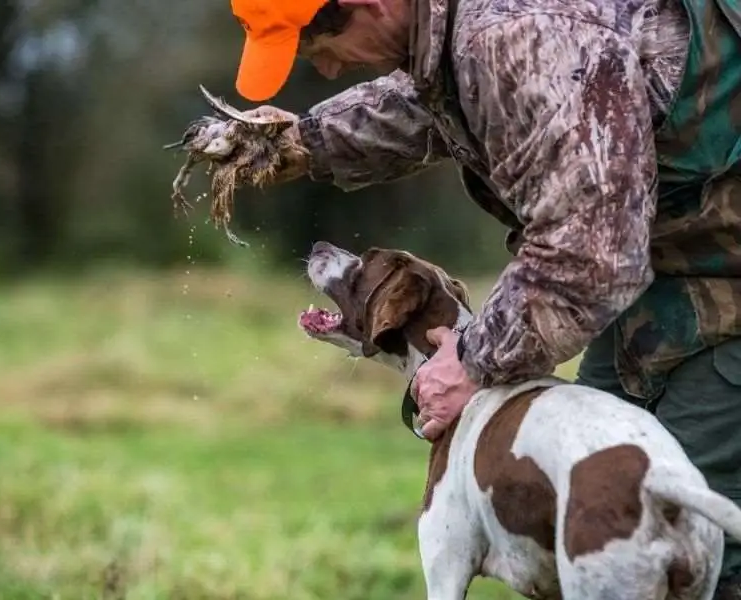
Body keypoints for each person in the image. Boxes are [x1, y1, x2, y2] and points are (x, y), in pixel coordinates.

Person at [225, 0, 741, 595]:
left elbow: (589, 252)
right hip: (649, 294)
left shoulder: (519, 34)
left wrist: (473, 360)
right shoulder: (459, 31)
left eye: (320, 47)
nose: (332, 70)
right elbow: (435, 102)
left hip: (721, 293)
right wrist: (301, 142)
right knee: (581, 532)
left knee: (712, 558)